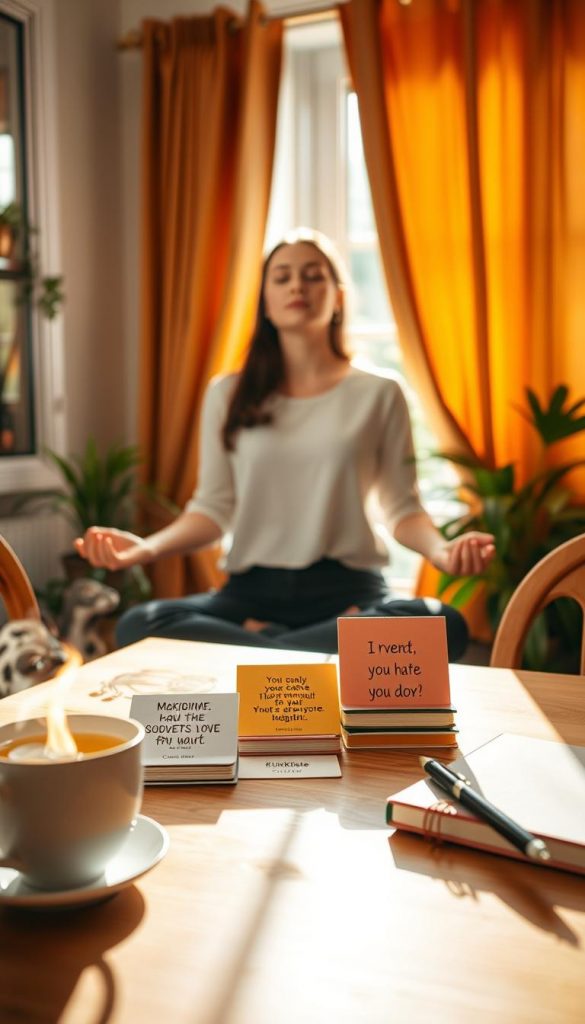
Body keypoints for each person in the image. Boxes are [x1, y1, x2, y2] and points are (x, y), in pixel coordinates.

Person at [75, 228, 495, 659]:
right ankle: (307, 657)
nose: (297, 285)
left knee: (441, 624)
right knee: (139, 625)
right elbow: (212, 510)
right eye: (282, 277)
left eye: (313, 276)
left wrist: (442, 551)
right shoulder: (228, 394)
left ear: (338, 297)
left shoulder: (380, 393)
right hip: (249, 595)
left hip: (350, 592)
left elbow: (402, 510)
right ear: (266, 303)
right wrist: (146, 548)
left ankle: (263, 654)